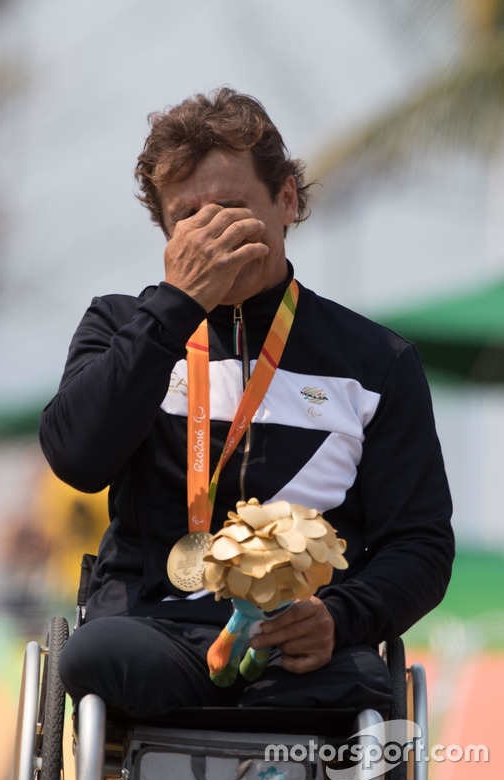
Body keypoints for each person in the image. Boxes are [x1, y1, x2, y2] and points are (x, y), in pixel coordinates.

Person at [40, 87, 454, 721]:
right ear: (165, 231)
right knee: (100, 657)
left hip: (300, 649)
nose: (215, 237)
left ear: (286, 199)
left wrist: (339, 618)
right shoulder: (121, 327)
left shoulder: (376, 363)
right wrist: (176, 308)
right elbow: (77, 458)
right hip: (153, 632)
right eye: (190, 219)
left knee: (361, 689)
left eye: (233, 209)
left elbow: (420, 545)